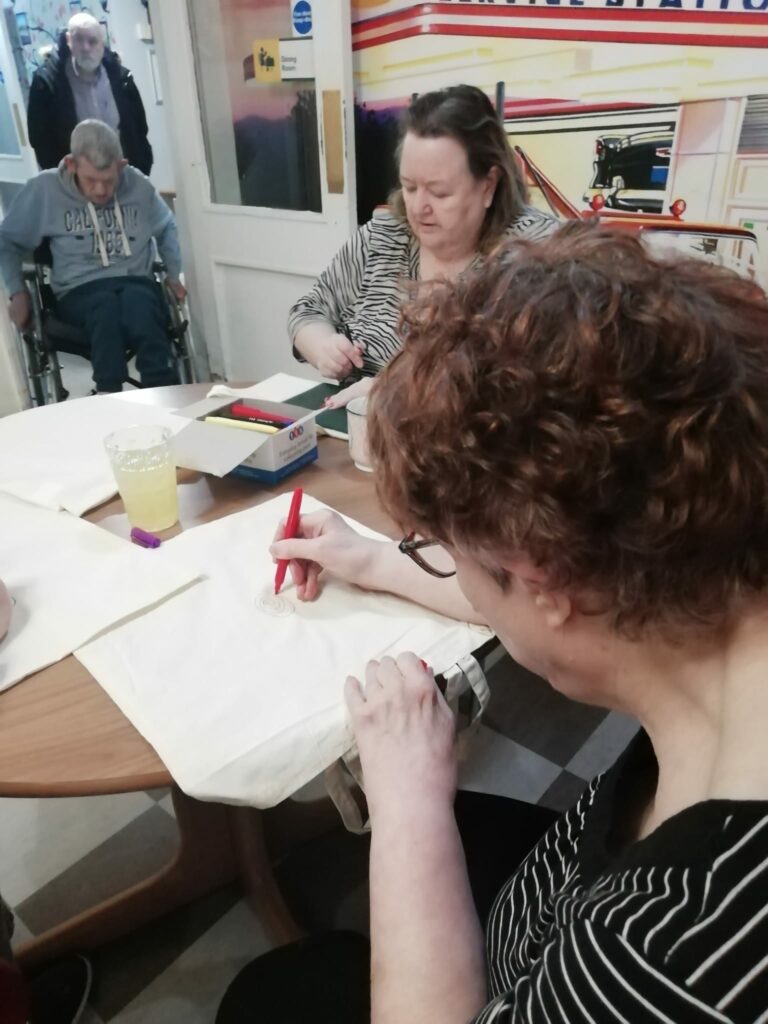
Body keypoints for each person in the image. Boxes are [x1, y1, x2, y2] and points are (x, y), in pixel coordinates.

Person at [250, 222, 768, 1022]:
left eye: (444, 552)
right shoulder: (715, 568)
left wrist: (406, 799)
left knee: (270, 996)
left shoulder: (661, 965)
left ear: (541, 576)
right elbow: (579, 584)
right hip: (553, 887)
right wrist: (376, 560)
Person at [288, 85, 557, 408]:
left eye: (439, 193)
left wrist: (397, 393)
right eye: (410, 187)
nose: (418, 208)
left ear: (488, 185)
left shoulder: (536, 254)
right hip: (357, 430)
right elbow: (308, 311)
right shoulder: (383, 237)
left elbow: (532, 383)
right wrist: (323, 347)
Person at [0, 120, 185, 395]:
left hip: (135, 281)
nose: (100, 190)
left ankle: (164, 391)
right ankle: (108, 391)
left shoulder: (138, 185)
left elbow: (166, 226)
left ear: (121, 166)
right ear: (71, 164)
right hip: (79, 289)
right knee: (104, 307)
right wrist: (18, 292)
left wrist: (173, 273)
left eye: (108, 181)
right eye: (91, 180)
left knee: (142, 306)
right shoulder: (44, 190)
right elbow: (7, 240)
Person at [27, 12, 153, 176]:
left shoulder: (121, 78)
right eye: (78, 39)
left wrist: (142, 167)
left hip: (122, 175)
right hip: (77, 182)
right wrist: (63, 180)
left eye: (92, 41)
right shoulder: (47, 83)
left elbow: (140, 128)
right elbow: (39, 139)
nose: (86, 48)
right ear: (68, 40)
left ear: (102, 43)